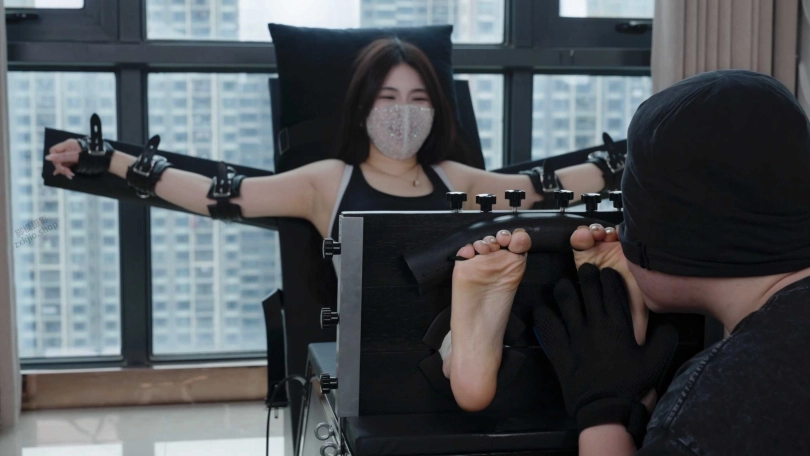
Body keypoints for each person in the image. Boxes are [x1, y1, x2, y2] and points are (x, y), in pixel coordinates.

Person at [45, 38, 623, 412]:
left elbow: (540, 187)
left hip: (452, 323)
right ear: (362, 106)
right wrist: (112, 160)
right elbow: (220, 195)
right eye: (388, 97)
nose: (403, 111)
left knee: (518, 276)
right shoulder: (327, 181)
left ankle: (472, 343)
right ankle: (468, 354)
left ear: (436, 109)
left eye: (418, 98)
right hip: (376, 346)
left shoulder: (454, 176)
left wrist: (629, 158)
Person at [454, 70, 810, 455]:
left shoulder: (715, 408)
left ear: (672, 238)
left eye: (629, 216)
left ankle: (451, 351)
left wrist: (602, 412)